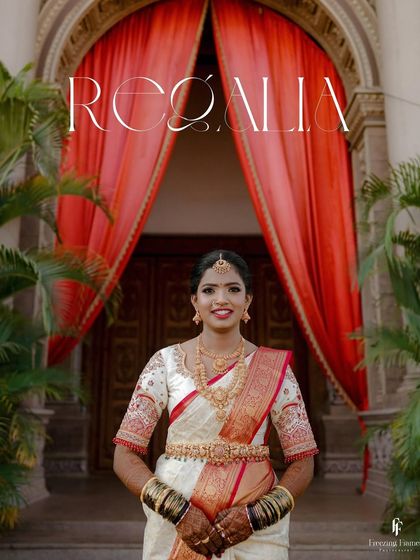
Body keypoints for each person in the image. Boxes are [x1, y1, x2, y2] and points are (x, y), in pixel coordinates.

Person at [113, 250, 319, 559]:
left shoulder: (274, 370)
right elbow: (124, 455)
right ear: (194, 301)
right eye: (209, 290)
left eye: (233, 289)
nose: (221, 299)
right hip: (176, 526)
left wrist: (257, 516)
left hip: (257, 530)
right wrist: (178, 512)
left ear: (247, 300)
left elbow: (303, 461)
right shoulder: (165, 363)